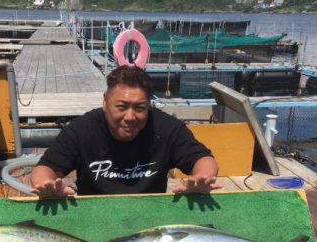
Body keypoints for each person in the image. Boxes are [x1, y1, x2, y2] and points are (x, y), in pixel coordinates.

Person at [31, 65, 220, 197]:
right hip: (95, 214)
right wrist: (47, 186)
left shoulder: (167, 128)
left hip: (151, 217)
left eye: (139, 108)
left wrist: (201, 179)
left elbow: (204, 159)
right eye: (121, 106)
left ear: (149, 105)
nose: (130, 117)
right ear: (105, 101)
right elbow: (44, 169)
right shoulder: (81, 130)